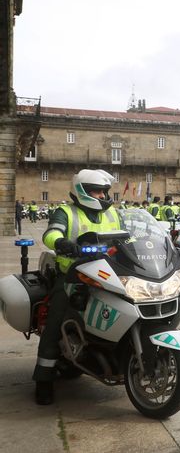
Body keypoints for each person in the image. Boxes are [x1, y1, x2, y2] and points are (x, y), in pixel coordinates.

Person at [35, 169, 121, 405]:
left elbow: (128, 237)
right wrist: (62, 242)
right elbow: (51, 234)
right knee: (57, 317)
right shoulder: (66, 212)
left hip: (110, 274)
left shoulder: (112, 213)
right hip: (74, 275)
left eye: (104, 191)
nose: (102, 195)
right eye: (97, 190)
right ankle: (43, 378)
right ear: (82, 191)